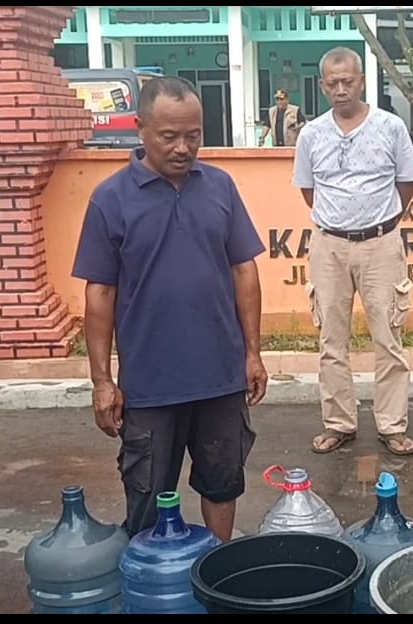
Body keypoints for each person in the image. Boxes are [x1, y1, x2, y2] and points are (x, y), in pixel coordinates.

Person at [72, 76, 268, 541]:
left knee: (223, 481)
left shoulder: (220, 187)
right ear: (141, 128)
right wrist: (103, 381)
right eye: (169, 136)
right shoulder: (110, 199)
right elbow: (99, 295)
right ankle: (152, 582)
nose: (183, 147)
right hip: (150, 385)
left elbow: (245, 270)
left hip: (220, 377)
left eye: (193, 135)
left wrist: (253, 353)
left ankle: (217, 571)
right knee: (148, 491)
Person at [293, 47, 413, 456]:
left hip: (382, 244)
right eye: (332, 83)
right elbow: (308, 190)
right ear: (322, 86)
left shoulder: (390, 127)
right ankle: (338, 423)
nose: (341, 89)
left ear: (362, 80)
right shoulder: (311, 134)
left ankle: (392, 425)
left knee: (389, 339)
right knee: (331, 340)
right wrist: (341, 222)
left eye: (348, 81)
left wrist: (378, 223)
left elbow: (408, 185)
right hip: (329, 245)